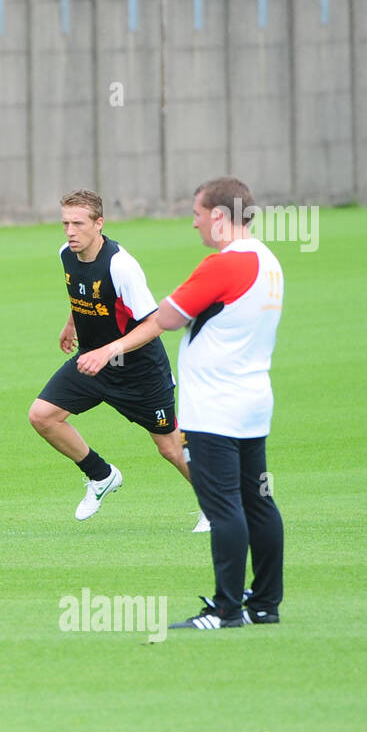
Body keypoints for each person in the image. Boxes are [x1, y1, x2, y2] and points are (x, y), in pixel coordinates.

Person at [148, 177, 285, 630]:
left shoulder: (222, 265)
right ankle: (264, 603)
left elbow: (168, 317)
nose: (194, 224)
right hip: (252, 400)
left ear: (220, 217)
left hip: (214, 407)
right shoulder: (269, 260)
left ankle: (226, 609)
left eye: (197, 214)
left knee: (224, 506)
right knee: (259, 501)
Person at [28, 190, 209, 532]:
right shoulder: (67, 253)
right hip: (92, 363)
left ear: (99, 224)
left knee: (170, 447)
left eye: (78, 224)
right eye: (65, 223)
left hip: (139, 372)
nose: (69, 231)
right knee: (43, 416)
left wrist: (108, 351)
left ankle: (216, 506)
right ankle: (102, 475)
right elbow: (84, 291)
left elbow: (155, 324)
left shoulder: (121, 265)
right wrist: (71, 324)